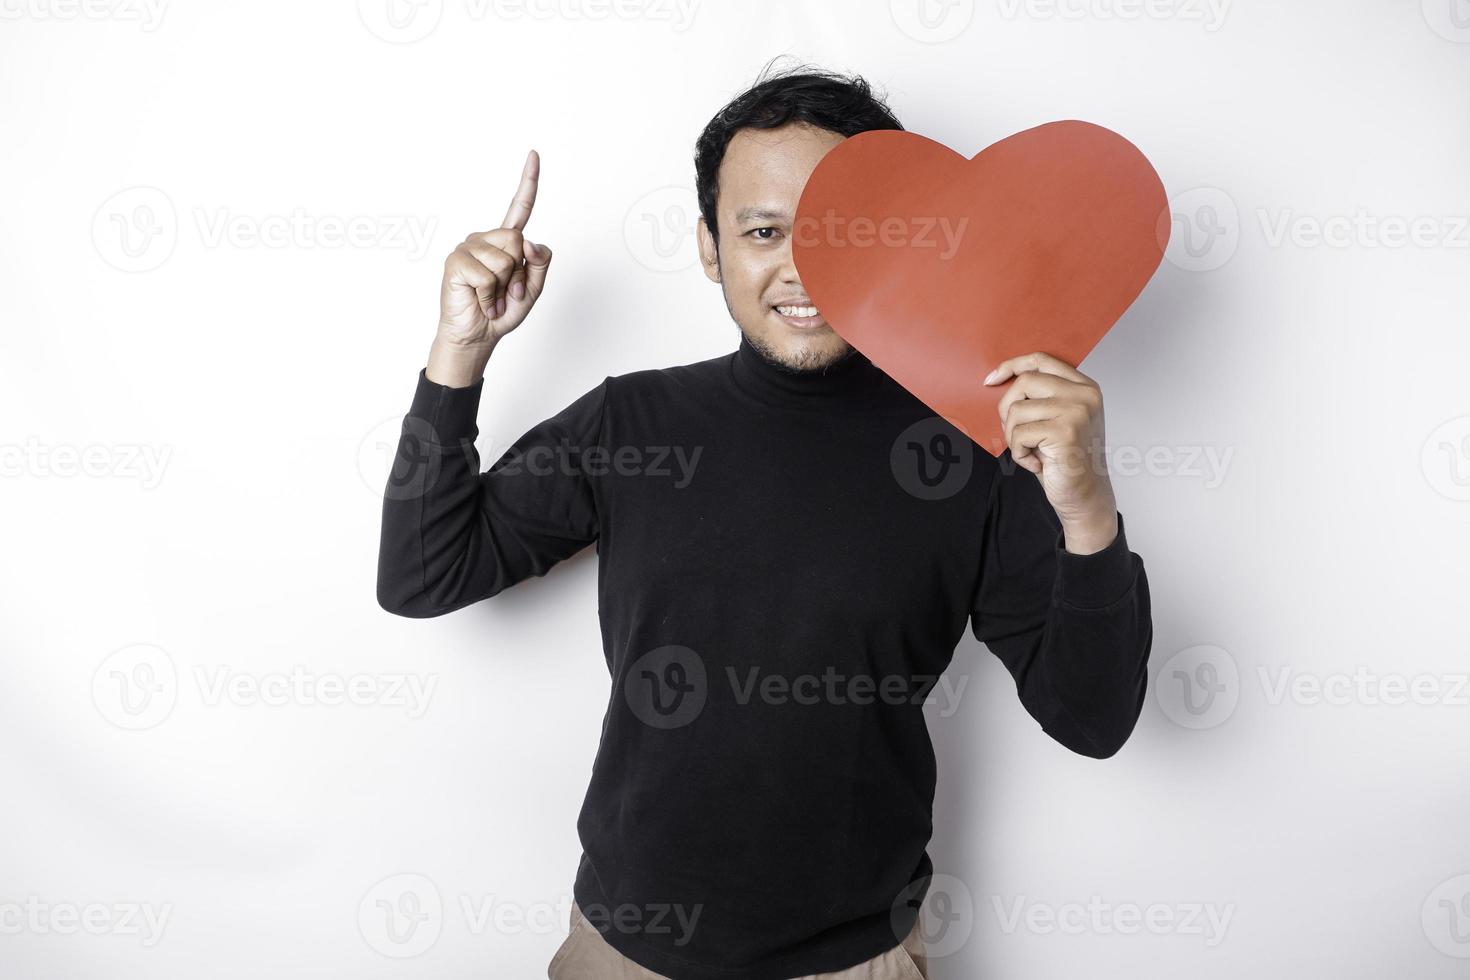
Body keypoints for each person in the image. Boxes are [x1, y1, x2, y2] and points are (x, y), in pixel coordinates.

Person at [377, 61, 1152, 980]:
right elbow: (423, 577)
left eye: (841, 233)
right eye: (762, 230)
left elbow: (1094, 717)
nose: (802, 266)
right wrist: (458, 353)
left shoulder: (972, 449)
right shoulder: (633, 424)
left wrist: (1088, 509)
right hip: (625, 951)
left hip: (860, 958)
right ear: (710, 246)